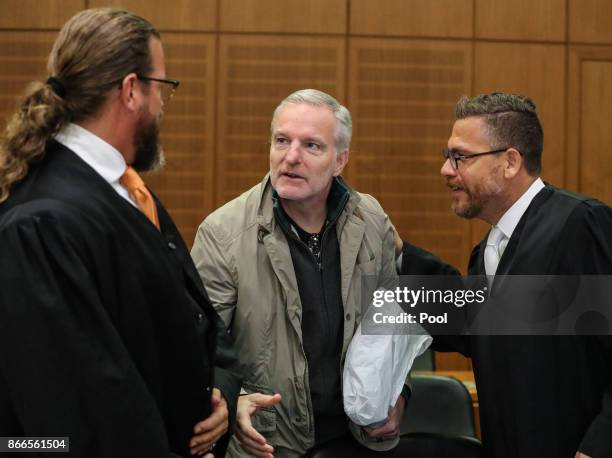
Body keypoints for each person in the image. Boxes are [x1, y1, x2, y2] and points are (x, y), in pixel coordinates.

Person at [0, 8, 241, 458]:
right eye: (162, 88)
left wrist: (219, 395)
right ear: (132, 91)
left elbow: (191, 318)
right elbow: (79, 413)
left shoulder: (125, 191)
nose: (163, 106)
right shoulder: (42, 223)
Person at [191, 89, 406, 457]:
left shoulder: (372, 221)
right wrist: (234, 400)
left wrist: (400, 394)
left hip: (356, 441)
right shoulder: (223, 233)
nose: (290, 157)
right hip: (268, 444)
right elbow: (197, 349)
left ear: (340, 161)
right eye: (281, 140)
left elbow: (392, 326)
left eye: (311, 146)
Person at [401, 92, 612, 458]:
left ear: (510, 162)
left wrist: (597, 448)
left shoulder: (579, 224)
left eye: (460, 157)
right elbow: (474, 328)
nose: (447, 170)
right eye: (447, 157)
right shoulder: (486, 252)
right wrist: (391, 254)